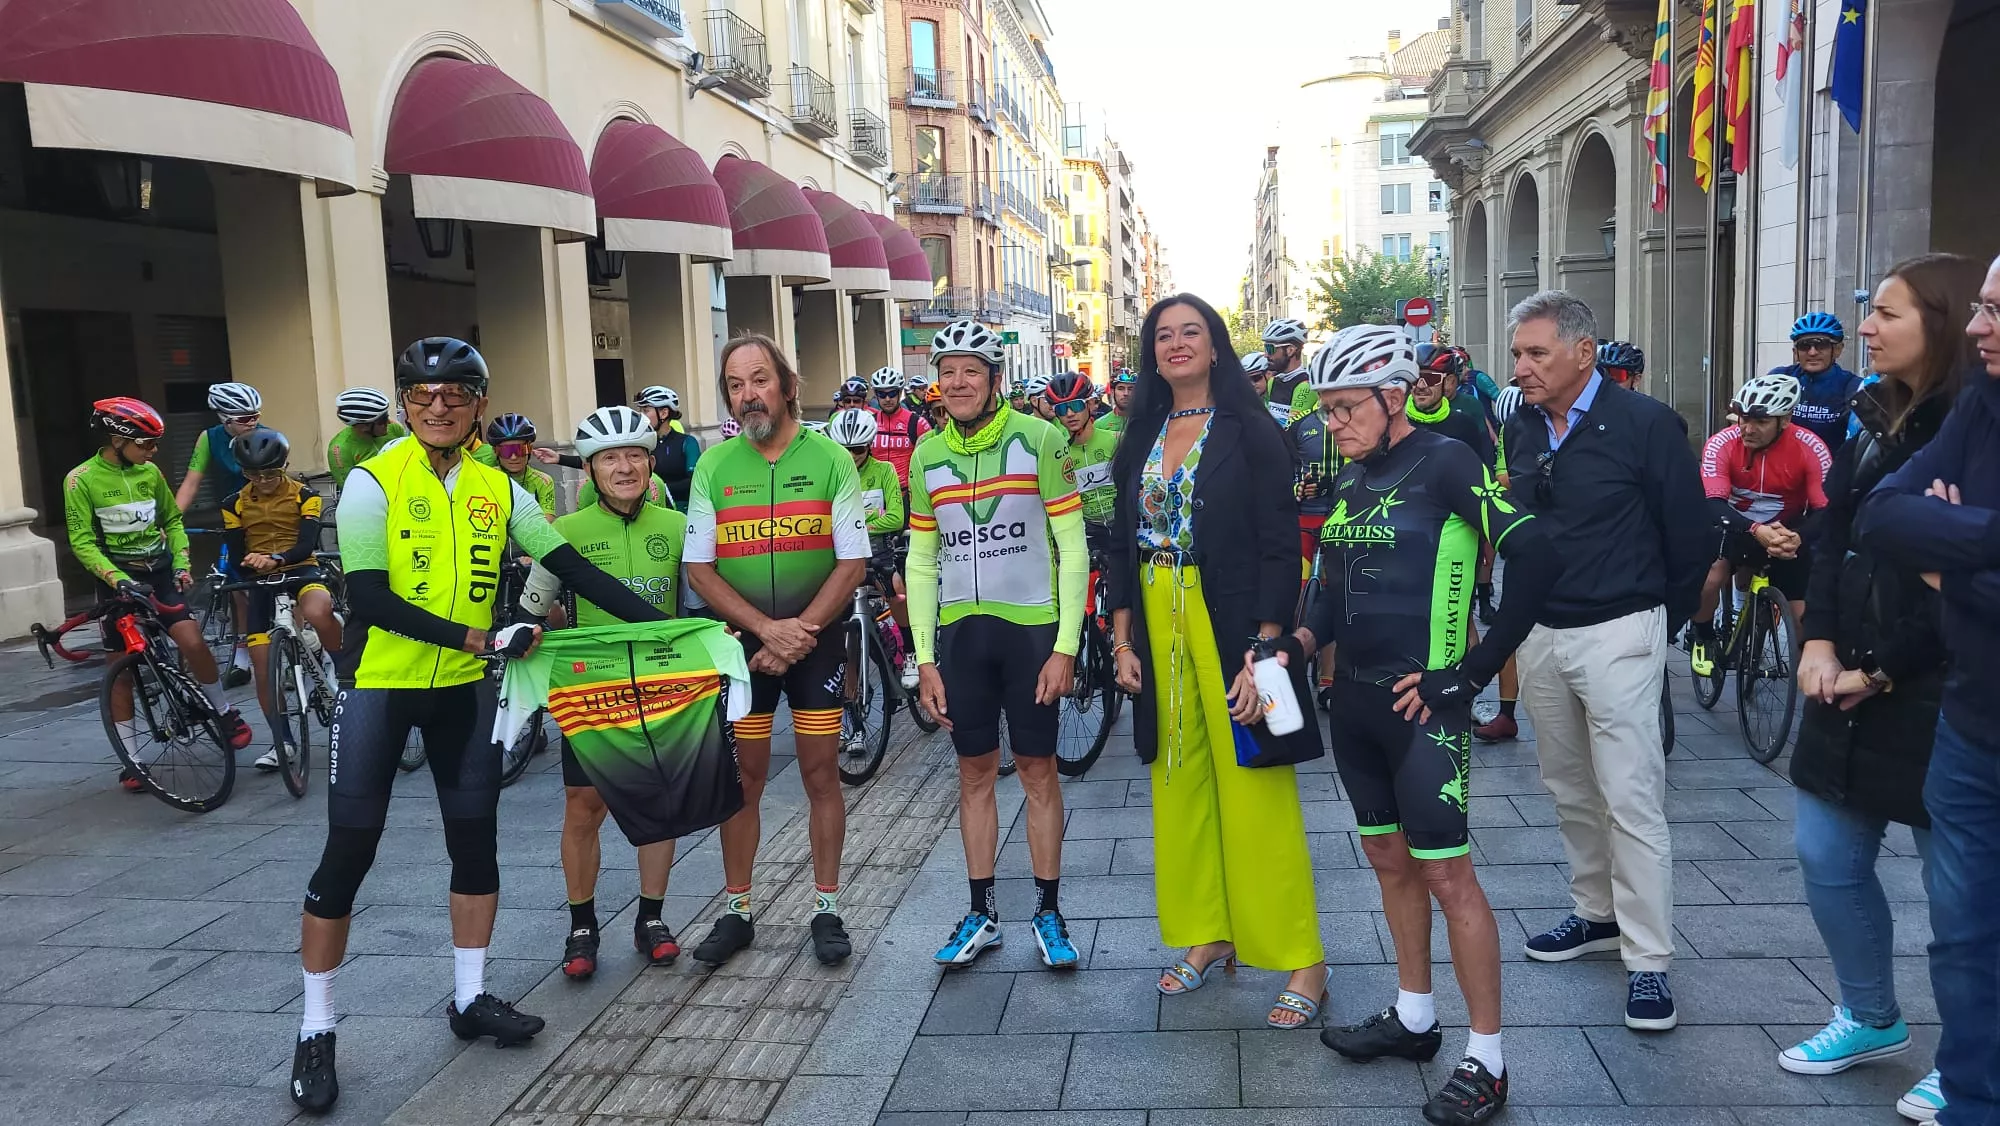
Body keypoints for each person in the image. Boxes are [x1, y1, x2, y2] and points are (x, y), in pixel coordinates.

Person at [288, 337, 671, 1114]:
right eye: (422, 395)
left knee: (475, 845)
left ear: (478, 406)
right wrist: (480, 638)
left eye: (455, 393)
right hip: (380, 687)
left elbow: (577, 569)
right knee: (347, 854)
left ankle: (469, 1000)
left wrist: (678, 634)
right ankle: (316, 1028)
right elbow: (372, 599)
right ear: (403, 404)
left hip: (462, 694)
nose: (438, 405)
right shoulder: (370, 482)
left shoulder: (502, 487)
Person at [1297, 325, 1564, 1125]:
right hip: (1357, 705)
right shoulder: (1349, 482)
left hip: (1426, 711)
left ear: (1390, 397)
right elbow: (1327, 587)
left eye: (1345, 409)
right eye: (1326, 411)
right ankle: (1416, 1016)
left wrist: (1472, 676)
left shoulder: (1447, 460)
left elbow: (1537, 553)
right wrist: (1300, 645)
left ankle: (1490, 1057)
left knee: (1449, 874)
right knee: (1386, 859)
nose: (1333, 424)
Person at [1780, 253, 1980, 1124]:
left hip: (1940, 692)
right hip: (1844, 675)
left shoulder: (1973, 423)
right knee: (1827, 855)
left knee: (1960, 896)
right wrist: (1819, 639)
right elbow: (1840, 535)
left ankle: (1969, 1057)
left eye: (1887, 313)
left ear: (1937, 320)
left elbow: (1956, 582)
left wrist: (1882, 669)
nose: (1866, 328)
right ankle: (1868, 1015)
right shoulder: (1871, 416)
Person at [1104, 294, 1328, 1028]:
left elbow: (1277, 541)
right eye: (1163, 335)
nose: (1175, 344)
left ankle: (1304, 957)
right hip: (1158, 618)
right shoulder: (1141, 433)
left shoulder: (1252, 430)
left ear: (1215, 345)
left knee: (1253, 782)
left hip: (1229, 621)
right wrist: (1122, 639)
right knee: (1179, 780)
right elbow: (1120, 545)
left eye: (1190, 332)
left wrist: (1264, 647)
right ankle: (1209, 932)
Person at [1498, 291, 1711, 1032]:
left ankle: (1649, 961)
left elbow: (1690, 533)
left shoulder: (1646, 424)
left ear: (1583, 352)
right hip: (1543, 634)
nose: (1519, 368)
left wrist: (1658, 622)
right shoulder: (1519, 424)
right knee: (1567, 786)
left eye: (1535, 353)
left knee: (1632, 797)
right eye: (1517, 353)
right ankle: (1596, 915)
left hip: (1621, 627)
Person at [1855, 252, 2000, 1126]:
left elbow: (1921, 532)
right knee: (1965, 943)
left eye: (1997, 312)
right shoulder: (1982, 402)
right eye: (1980, 307)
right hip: (1974, 734)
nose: (1980, 329)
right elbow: (1882, 514)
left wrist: (1952, 553)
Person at [682, 333, 870, 969]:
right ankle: (737, 909)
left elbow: (853, 562)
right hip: (743, 645)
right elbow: (699, 571)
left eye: (759, 379)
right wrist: (767, 631)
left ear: (788, 386)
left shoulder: (832, 460)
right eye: (735, 385)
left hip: (813, 644)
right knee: (743, 781)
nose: (747, 395)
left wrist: (798, 635)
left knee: (821, 773)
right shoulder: (713, 466)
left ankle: (826, 906)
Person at [906, 321, 1088, 969]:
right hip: (960, 637)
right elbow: (921, 560)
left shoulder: (1038, 438)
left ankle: (1048, 909)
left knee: (1039, 772)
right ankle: (981, 913)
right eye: (947, 371)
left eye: (970, 372)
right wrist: (922, 658)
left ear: (994, 381)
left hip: (1031, 631)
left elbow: (1072, 546)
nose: (956, 383)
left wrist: (1066, 644)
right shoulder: (926, 455)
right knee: (973, 773)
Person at [519, 405, 691, 980]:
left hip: (663, 685)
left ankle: (651, 919)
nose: (624, 467)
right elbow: (532, 608)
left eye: (635, 455)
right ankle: (582, 926)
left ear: (650, 463)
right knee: (583, 807)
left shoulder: (679, 527)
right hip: (591, 686)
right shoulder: (563, 532)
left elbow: (700, 608)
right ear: (588, 470)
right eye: (609, 458)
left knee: (659, 803)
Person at [67, 397, 254, 787]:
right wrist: (117, 579)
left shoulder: (149, 473)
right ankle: (132, 759)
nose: (153, 452)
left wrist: (183, 563)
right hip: (116, 581)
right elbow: (82, 542)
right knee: (120, 672)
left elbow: (172, 519)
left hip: (160, 574)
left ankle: (222, 710)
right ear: (118, 439)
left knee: (193, 641)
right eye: (146, 444)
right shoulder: (80, 480)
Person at [1688, 374, 1831, 677]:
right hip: (1735, 523)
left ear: (1785, 419)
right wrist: (1755, 530)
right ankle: (1701, 636)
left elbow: (1826, 510)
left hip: (1786, 531)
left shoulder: (1810, 447)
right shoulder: (1722, 444)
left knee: (1801, 615)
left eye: (1760, 421)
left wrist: (1798, 537)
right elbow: (1713, 503)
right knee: (1710, 579)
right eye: (1743, 418)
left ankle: (1812, 678)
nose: (1747, 428)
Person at [221, 426, 343, 771]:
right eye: (252, 474)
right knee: (263, 670)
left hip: (300, 567)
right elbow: (234, 555)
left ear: (285, 465)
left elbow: (307, 544)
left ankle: (341, 667)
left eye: (271, 473)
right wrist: (248, 565)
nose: (262, 481)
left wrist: (276, 559)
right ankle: (283, 742)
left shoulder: (306, 495)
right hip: (261, 579)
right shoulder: (232, 504)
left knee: (320, 610)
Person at [178, 380, 264, 684]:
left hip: (266, 517)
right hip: (231, 518)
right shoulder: (210, 438)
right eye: (243, 419)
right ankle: (241, 657)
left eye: (255, 415)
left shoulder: (265, 436)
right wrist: (171, 521)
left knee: (280, 585)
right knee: (238, 590)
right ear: (224, 418)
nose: (252, 422)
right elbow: (191, 481)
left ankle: (293, 645)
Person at [828, 407, 918, 688]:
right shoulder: (831, 475)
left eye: (857, 449)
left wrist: (856, 525)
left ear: (868, 445)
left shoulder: (884, 471)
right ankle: (848, 683)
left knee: (898, 590)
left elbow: (895, 517)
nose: (851, 456)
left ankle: (912, 653)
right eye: (844, 450)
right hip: (844, 554)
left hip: (879, 552)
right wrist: (869, 519)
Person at [535, 386, 693, 510]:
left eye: (646, 410)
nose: (641, 415)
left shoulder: (686, 442)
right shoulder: (640, 442)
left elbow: (693, 481)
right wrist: (559, 458)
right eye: (641, 410)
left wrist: (658, 486)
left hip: (679, 508)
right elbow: (600, 463)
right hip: (639, 499)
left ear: (664, 412)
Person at [1772, 311, 1864, 454]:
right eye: (1804, 345)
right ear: (1795, 352)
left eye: (1821, 345)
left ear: (1838, 350)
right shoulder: (1780, 378)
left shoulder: (1853, 387)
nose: (1813, 352)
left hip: (1830, 472)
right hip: (1783, 471)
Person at [1047, 372, 1119, 535]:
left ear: (1091, 404)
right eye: (1062, 409)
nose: (1070, 413)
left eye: (1077, 405)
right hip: (1088, 534)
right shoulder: (1058, 454)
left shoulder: (1117, 441)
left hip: (1123, 528)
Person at [1411, 344, 1495, 464]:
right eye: (1415, 378)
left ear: (1449, 381)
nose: (1421, 385)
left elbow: (1482, 468)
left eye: (1430, 379)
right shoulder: (1395, 422)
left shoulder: (1464, 425)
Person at [327, 388, 406, 491]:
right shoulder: (340, 449)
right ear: (363, 426)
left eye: (386, 416)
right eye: (382, 420)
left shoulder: (394, 428)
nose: (388, 422)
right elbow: (351, 489)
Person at [867, 365, 931, 493]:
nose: (887, 399)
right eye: (882, 394)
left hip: (907, 492)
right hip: (876, 491)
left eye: (892, 393)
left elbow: (929, 459)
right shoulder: (869, 423)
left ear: (900, 392)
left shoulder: (917, 423)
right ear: (876, 395)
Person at [488, 414, 556, 519]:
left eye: (520, 450)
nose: (514, 457)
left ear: (530, 449)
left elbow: (548, 521)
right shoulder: (486, 479)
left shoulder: (543, 481)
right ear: (495, 451)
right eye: (507, 451)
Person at [1261, 317, 1315, 421]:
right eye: (1265, 348)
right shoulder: (1273, 381)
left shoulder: (1305, 386)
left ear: (1290, 350)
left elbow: (1291, 429)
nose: (1265, 354)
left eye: (1270, 348)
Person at [1243, 352, 1294, 425]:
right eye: (1247, 380)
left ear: (1269, 374)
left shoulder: (1287, 394)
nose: (1252, 384)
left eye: (1255, 378)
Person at [1098, 368, 1135, 433]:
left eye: (1130, 389)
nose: (1126, 393)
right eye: (1121, 388)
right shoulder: (1100, 425)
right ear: (1112, 392)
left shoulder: (1147, 421)